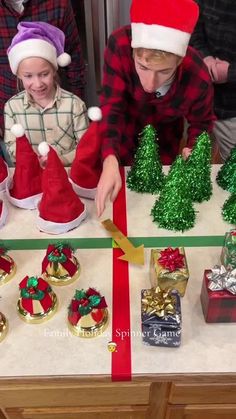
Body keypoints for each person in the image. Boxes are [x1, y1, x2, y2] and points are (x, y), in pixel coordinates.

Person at [95, 0, 215, 217]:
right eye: (142, 67)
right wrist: (110, 157)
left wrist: (193, 149)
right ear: (133, 53)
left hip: (165, 144)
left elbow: (202, 123)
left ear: (179, 61)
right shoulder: (119, 45)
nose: (150, 84)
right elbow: (112, 108)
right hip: (121, 137)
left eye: (164, 72)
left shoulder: (197, 74)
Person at [0, 0, 86, 155]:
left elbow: (75, 61)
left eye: (44, 74)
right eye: (28, 76)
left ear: (53, 70)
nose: (37, 84)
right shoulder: (11, 108)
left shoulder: (58, 4)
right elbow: (12, 148)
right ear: (19, 75)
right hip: (5, 112)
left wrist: (76, 107)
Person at [190, 0, 236, 162]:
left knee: (231, 173)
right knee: (193, 166)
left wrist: (230, 73)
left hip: (232, 111)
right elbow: (193, 29)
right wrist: (205, 58)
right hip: (199, 100)